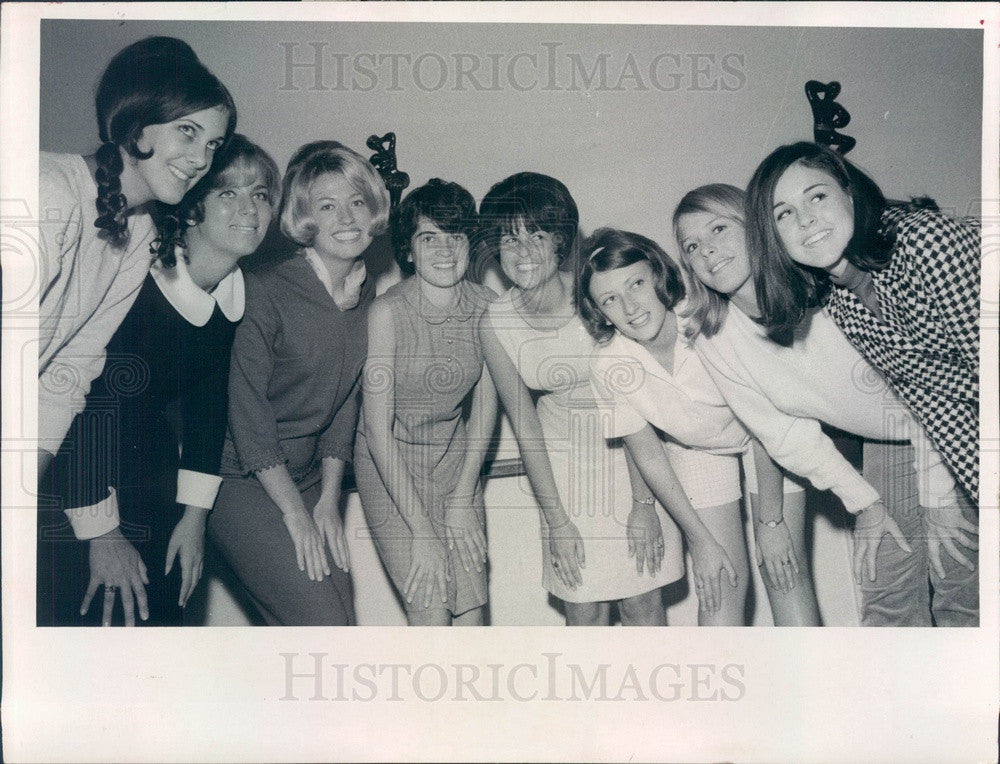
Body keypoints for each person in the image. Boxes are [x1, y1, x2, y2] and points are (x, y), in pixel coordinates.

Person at [677, 182, 973, 626]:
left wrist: (939, 496)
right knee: (885, 593)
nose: (708, 251)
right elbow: (785, 434)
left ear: (756, 227)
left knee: (960, 581)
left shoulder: (822, 287)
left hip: (949, 424)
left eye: (719, 228)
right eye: (692, 245)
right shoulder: (714, 336)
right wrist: (865, 504)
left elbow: (921, 388)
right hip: (887, 440)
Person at [37, 136, 279, 626]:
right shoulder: (138, 284)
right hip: (74, 482)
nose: (249, 209)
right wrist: (101, 534)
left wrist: (194, 518)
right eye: (228, 194)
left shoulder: (231, 293)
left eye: (260, 194)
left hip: (149, 481)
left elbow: (209, 410)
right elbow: (83, 403)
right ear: (192, 211)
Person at [479, 173, 678, 626]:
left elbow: (636, 404)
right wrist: (555, 521)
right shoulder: (496, 322)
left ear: (560, 240)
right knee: (583, 614)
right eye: (509, 238)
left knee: (643, 607)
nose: (523, 251)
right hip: (563, 481)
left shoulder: (594, 293)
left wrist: (643, 503)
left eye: (537, 235)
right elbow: (525, 427)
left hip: (633, 466)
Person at [38, 36, 236, 484]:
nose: (201, 159)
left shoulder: (141, 231)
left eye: (213, 144)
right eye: (188, 131)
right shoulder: (47, 192)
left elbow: (71, 370)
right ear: (136, 124)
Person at [208, 140, 389, 626]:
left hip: (309, 475)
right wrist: (295, 513)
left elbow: (344, 404)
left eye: (356, 202)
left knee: (340, 618)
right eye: (326, 206)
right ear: (304, 218)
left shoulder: (366, 292)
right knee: (323, 623)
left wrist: (329, 499)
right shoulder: (264, 287)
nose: (346, 218)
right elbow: (246, 414)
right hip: (240, 478)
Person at [580, 227, 784, 625]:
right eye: (610, 299)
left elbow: (767, 425)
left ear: (658, 275)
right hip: (700, 450)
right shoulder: (609, 365)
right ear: (599, 313)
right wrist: (701, 541)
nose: (630, 306)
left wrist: (771, 520)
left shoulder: (709, 318)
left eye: (636, 283)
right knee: (720, 586)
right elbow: (650, 456)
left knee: (783, 571)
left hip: (774, 441)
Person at [355, 179, 497, 626]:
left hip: (455, 460)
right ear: (409, 250)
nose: (444, 249)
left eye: (454, 236)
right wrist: (422, 531)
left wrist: (462, 498)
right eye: (428, 237)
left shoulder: (489, 306)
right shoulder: (388, 313)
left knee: (472, 615)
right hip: (389, 462)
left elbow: (485, 412)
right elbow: (378, 431)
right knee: (432, 611)